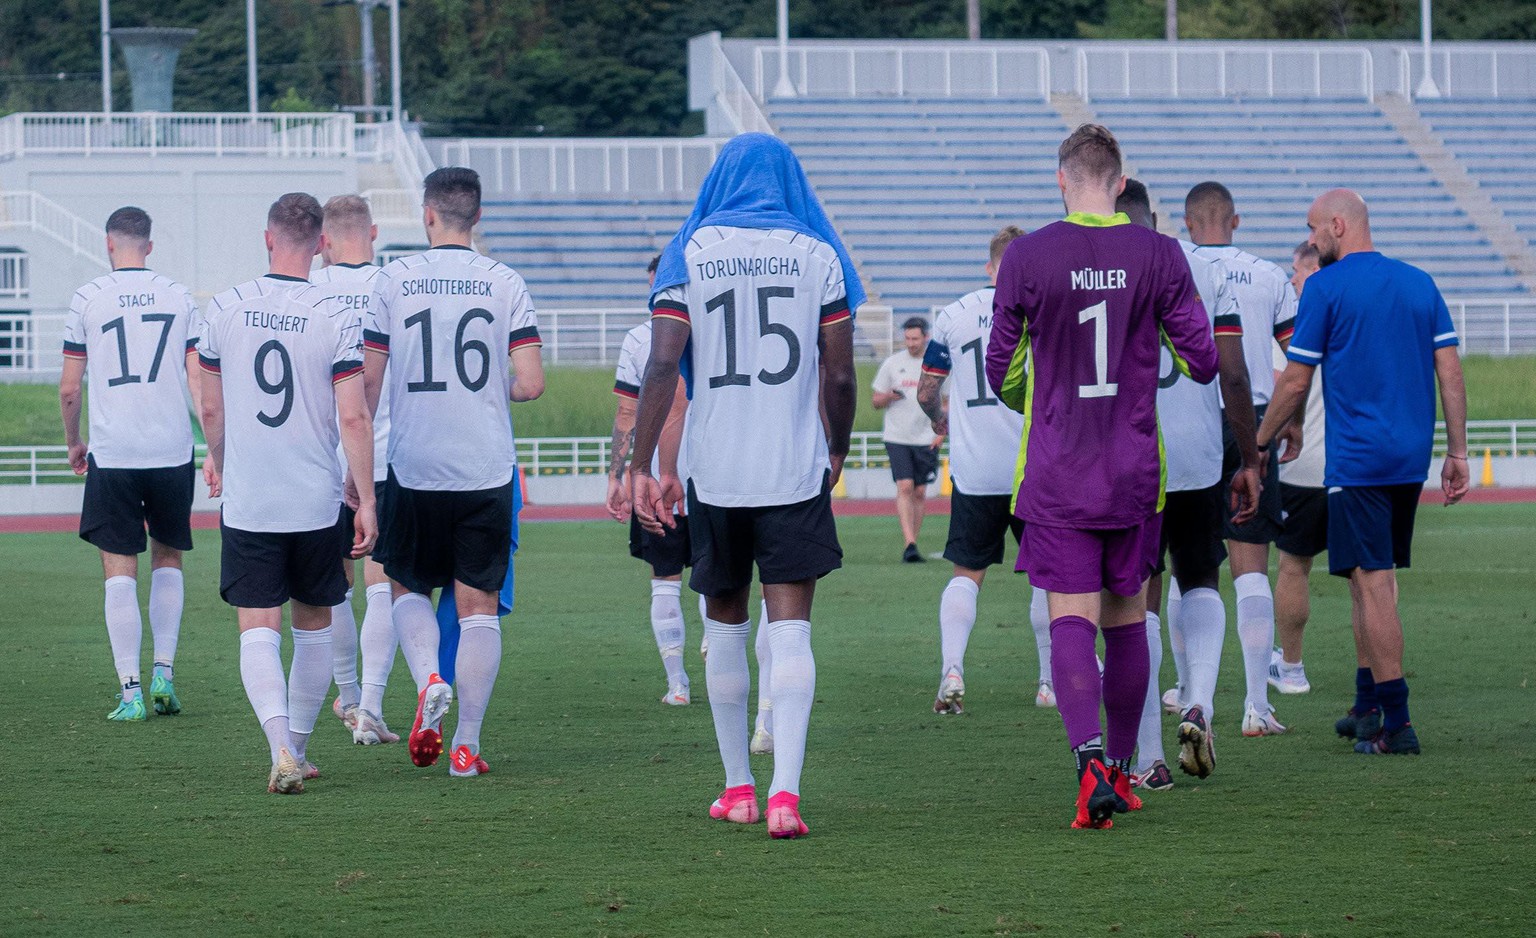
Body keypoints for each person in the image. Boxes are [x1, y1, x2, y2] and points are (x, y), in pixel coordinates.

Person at [985, 124, 1231, 830]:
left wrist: (1046, 395)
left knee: (1071, 617)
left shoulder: (1028, 255)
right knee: (1129, 620)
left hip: (1059, 468)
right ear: (1121, 184)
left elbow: (1000, 371)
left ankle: (1089, 759)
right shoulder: (1159, 253)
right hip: (1133, 470)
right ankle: (1123, 773)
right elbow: (1203, 362)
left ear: (1061, 181)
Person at [629, 133, 860, 839]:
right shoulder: (820, 254)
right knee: (790, 628)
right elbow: (841, 374)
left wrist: (638, 464)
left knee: (724, 627)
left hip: (716, 471)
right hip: (792, 468)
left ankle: (738, 789)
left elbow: (663, 366)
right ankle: (786, 795)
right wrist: (838, 447)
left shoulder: (689, 250)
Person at [1259, 188, 1469, 756]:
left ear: (1337, 226)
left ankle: (1396, 723)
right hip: (1408, 460)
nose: (1310, 240)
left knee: (1373, 583)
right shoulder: (1418, 282)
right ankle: (1367, 703)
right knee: (1363, 577)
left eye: (1312, 229)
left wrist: (1260, 439)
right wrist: (1457, 452)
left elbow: (1296, 378)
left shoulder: (1325, 287)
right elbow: (1448, 369)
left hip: (1358, 461)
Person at [364, 166, 544, 778]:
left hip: (414, 465)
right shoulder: (505, 282)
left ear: (426, 214)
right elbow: (531, 383)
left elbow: (367, 382)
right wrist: (492, 390)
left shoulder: (394, 279)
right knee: (479, 608)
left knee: (405, 585)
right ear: (478, 217)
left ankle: (427, 678)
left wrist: (354, 466)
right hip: (486, 467)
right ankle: (466, 746)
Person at [199, 192, 377, 793]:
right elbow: (354, 418)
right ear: (321, 244)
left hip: (252, 496)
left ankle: (278, 746)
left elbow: (211, 405)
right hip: (314, 496)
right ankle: (297, 748)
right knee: (314, 627)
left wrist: (220, 459)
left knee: (257, 629)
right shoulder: (335, 314)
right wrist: (367, 498)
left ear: (267, 238)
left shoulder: (224, 307)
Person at [1115, 180, 1262, 789]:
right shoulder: (1201, 269)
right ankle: (1198, 698)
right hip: (1200, 457)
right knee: (1201, 578)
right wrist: (1248, 456)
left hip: (1129, 456)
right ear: (1157, 217)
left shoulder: (1098, 271)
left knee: (1137, 602)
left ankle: (1150, 758)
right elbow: (1232, 367)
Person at [60, 206, 202, 722]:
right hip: (170, 450)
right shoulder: (179, 295)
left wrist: (74, 443)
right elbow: (199, 384)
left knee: (118, 570)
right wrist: (216, 448)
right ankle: (164, 672)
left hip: (114, 453)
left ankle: (131, 692)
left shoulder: (88, 298)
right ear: (149, 245)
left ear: (107, 244)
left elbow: (70, 387)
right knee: (168, 557)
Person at [915, 225, 1054, 714]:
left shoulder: (953, 314)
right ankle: (1048, 681)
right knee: (1049, 577)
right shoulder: (1044, 305)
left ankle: (952, 668)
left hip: (976, 471)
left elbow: (927, 391)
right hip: (1035, 466)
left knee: (966, 573)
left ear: (989, 265)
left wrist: (941, 421)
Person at [1186, 181, 1301, 738]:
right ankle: (1257, 704)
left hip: (1190, 421)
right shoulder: (1270, 274)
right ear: (1235, 220)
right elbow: (1297, 356)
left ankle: (1188, 693)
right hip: (1251, 418)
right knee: (1251, 566)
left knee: (1188, 565)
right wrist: (1291, 419)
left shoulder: (1173, 269)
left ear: (1186, 224)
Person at [310, 194, 400, 745]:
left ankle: (346, 697)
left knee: (335, 587)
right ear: (374, 232)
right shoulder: (394, 284)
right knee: (382, 584)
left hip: (322, 457)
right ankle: (370, 705)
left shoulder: (309, 292)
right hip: (387, 452)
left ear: (322, 240)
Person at [607, 255, 697, 705]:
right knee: (720, 579)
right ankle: (712, 670)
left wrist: (620, 475)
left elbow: (629, 411)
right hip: (715, 478)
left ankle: (677, 683)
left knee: (665, 580)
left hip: (664, 480)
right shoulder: (720, 330)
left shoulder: (643, 340)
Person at [1270, 241, 1326, 695]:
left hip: (1302, 467)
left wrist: (1258, 446)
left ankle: (1291, 669)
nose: (1290, 281)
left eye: (1296, 272)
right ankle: (1378, 675)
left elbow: (1281, 387)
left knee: (1292, 567)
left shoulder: (1298, 324)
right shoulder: (1358, 318)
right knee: (1373, 574)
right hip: (1355, 469)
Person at [872, 317, 942, 562]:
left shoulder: (935, 364)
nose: (911, 343)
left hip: (925, 436)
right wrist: (889, 397)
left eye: (915, 338)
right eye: (908, 339)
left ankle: (914, 541)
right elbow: (875, 400)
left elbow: (945, 401)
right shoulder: (892, 364)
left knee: (920, 492)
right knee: (905, 486)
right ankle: (909, 542)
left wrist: (941, 432)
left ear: (925, 337)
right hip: (897, 435)